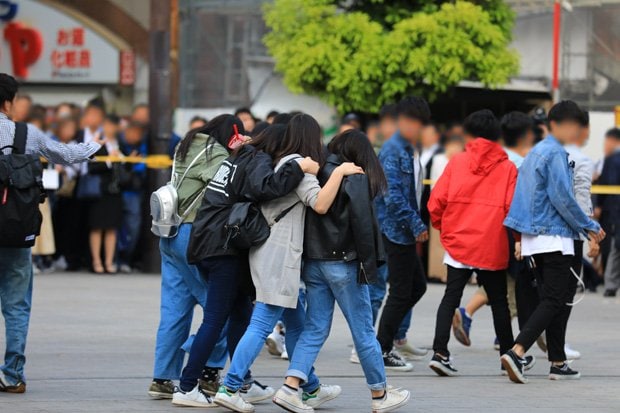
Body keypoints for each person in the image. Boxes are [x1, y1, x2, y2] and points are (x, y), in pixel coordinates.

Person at [214, 115, 362, 413]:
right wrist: (341, 172)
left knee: (297, 325)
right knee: (261, 323)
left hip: (270, 252)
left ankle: (310, 388)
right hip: (279, 256)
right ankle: (230, 387)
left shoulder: (283, 161)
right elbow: (320, 203)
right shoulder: (300, 166)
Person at [174, 119, 318, 408]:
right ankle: (187, 387)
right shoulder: (257, 158)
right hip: (222, 247)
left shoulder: (239, 156)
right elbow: (267, 186)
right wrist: (299, 167)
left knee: (241, 314)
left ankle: (243, 383)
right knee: (215, 320)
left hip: (212, 241)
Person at [273, 130, 410, 413]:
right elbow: (363, 225)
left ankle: (290, 387)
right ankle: (380, 393)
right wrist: (369, 264)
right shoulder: (354, 176)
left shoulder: (316, 171)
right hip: (344, 263)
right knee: (362, 331)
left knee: (315, 328)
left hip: (314, 263)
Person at [0, 73, 100, 393]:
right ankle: (12, 374)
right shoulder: (26, 133)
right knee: (16, 304)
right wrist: (96, 144)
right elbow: (66, 155)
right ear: (9, 101)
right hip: (14, 229)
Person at [502, 100, 605, 384]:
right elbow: (563, 198)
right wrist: (590, 227)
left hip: (537, 238)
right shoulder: (555, 153)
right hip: (555, 237)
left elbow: (521, 199)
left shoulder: (535, 153)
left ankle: (557, 362)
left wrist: (520, 238)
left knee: (556, 300)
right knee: (555, 300)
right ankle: (517, 350)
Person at [150, 115, 240, 400]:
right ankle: (209, 371)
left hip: (169, 232)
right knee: (218, 309)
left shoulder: (187, 145)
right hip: (192, 235)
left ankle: (162, 378)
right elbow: (228, 188)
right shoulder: (216, 152)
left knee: (175, 309)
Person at [427, 110, 518, 376]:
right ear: (496, 135)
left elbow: (436, 202)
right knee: (499, 301)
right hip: (491, 243)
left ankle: (440, 353)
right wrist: (517, 241)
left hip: (459, 242)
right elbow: (513, 209)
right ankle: (508, 356)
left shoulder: (456, 162)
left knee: (451, 296)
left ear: (468, 134)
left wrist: (445, 227)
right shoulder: (508, 167)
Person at [453, 111, 536, 348]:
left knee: (500, 285)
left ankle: (470, 317)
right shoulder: (516, 164)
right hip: (508, 234)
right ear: (526, 136)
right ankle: (507, 340)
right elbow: (517, 204)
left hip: (481, 232)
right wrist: (521, 238)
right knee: (509, 287)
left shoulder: (478, 158)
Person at [374, 96, 430, 371]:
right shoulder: (392, 150)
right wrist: (416, 225)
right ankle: (382, 348)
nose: (420, 130)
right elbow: (392, 197)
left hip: (405, 231)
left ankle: (388, 339)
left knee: (416, 287)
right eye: (417, 124)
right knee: (399, 292)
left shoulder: (407, 148)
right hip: (396, 231)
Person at [87, 115, 124, 274]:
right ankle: (96, 261)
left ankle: (109, 261)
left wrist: (122, 160)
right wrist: (110, 160)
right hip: (99, 192)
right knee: (96, 227)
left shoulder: (120, 144)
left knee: (112, 228)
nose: (110, 128)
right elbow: (91, 168)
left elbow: (125, 169)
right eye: (108, 125)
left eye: (113, 125)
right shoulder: (98, 143)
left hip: (115, 192)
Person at [117, 122, 148, 272]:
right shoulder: (117, 144)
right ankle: (115, 258)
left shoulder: (142, 146)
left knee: (133, 228)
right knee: (115, 228)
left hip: (134, 193)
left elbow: (143, 166)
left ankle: (126, 258)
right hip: (117, 192)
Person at [598, 128, 620, 297]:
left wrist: (599, 206)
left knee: (615, 247)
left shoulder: (612, 159)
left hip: (614, 210)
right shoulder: (611, 159)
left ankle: (611, 284)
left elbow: (607, 184)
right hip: (614, 209)